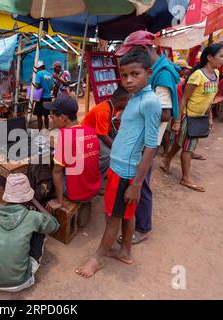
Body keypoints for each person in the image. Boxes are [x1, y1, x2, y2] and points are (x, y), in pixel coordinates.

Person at [76, 50, 161, 278]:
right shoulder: (136, 97)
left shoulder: (151, 102)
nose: (129, 80)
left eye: (135, 74)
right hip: (120, 167)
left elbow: (152, 146)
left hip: (126, 171)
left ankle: (98, 258)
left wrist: (137, 184)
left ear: (149, 73)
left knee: (112, 217)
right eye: (124, 76)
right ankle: (125, 251)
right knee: (126, 213)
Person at [115, 30, 180, 245]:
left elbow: (165, 113)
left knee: (140, 184)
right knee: (139, 184)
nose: (129, 79)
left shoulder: (161, 74)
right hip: (138, 141)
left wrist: (137, 112)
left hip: (145, 142)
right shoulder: (156, 72)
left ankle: (142, 228)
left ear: (142, 50)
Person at [161, 43, 223, 192]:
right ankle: (185, 178)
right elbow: (183, 98)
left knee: (181, 142)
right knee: (188, 147)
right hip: (189, 117)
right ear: (210, 57)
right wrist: (177, 120)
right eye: (221, 56)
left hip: (200, 117)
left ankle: (166, 160)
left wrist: (209, 117)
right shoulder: (198, 75)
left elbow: (210, 99)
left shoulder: (215, 74)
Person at [0, 173, 59, 292]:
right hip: (20, 281)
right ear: (28, 198)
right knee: (40, 231)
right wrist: (35, 202)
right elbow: (54, 225)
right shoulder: (33, 217)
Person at [44, 95, 101, 210]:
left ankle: (60, 198)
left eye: (52, 117)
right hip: (94, 188)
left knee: (51, 171)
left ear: (63, 117)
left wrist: (59, 201)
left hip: (77, 194)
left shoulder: (66, 136)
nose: (51, 120)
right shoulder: (90, 130)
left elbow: (57, 172)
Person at [81, 87, 130, 192]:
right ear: (123, 100)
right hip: (86, 136)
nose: (128, 104)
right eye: (128, 101)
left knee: (116, 144)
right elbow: (103, 135)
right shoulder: (104, 110)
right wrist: (117, 150)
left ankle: (102, 174)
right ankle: (92, 179)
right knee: (109, 155)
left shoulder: (110, 106)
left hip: (94, 134)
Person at [34, 60, 53, 131]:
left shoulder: (39, 73)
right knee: (46, 116)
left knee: (39, 116)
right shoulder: (49, 74)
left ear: (39, 67)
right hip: (48, 98)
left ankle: (40, 131)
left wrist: (35, 85)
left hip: (41, 98)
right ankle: (47, 129)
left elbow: (37, 86)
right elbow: (51, 87)